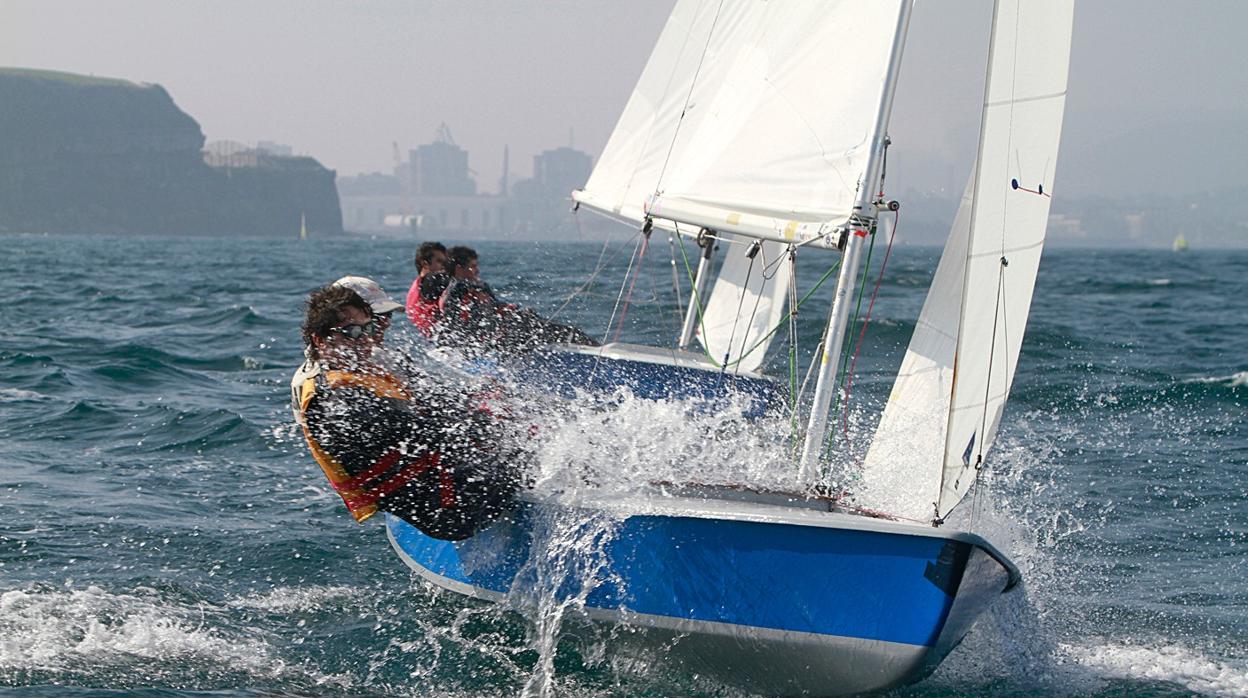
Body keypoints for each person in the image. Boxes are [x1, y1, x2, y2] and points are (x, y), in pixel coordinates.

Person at [293, 284, 521, 541]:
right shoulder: (333, 400)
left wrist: (485, 404)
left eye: (368, 328)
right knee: (528, 456)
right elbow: (416, 428)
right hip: (451, 513)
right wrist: (485, 423)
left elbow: (435, 406)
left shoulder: (364, 374)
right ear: (320, 340)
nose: (366, 340)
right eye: (352, 332)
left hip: (453, 484)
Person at [436, 245, 599, 352]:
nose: (477, 271)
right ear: (459, 268)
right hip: (490, 342)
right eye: (473, 266)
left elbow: (492, 308)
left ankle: (588, 347)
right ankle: (594, 349)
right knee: (564, 331)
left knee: (529, 318)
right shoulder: (461, 288)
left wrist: (510, 308)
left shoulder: (452, 290)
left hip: (486, 340)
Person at [290, 275, 404, 424]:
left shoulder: (370, 359)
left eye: (388, 314)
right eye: (379, 316)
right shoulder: (322, 383)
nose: (386, 323)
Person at [406, 241, 447, 336]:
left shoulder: (416, 287)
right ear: (425, 264)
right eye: (440, 261)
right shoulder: (430, 281)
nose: (444, 266)